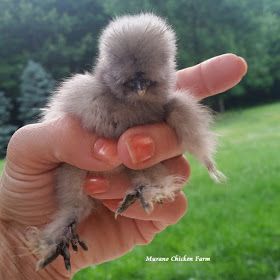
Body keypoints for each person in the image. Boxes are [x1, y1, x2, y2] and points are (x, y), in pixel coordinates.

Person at [0, 54, 247, 279]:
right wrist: (12, 241)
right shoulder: (83, 91)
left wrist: (205, 160)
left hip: (125, 174)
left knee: (143, 158)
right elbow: (54, 123)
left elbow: (194, 134)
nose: (139, 89)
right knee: (91, 178)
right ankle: (65, 226)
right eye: (128, 80)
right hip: (75, 176)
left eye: (148, 81)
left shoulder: (170, 105)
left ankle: (144, 189)